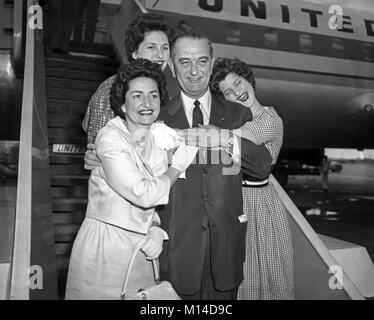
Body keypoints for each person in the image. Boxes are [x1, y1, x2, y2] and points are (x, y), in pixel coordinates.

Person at [65, 59, 198, 299]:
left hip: (141, 249)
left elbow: (150, 207)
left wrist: (157, 229)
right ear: (123, 105)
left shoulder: (155, 139)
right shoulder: (110, 139)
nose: (147, 103)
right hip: (106, 249)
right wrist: (177, 166)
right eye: (137, 96)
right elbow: (144, 193)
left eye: (153, 95)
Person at [157, 31, 273, 300]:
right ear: (173, 68)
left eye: (201, 61)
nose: (194, 71)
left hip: (226, 254)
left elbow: (262, 167)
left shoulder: (237, 114)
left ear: (211, 64)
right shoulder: (159, 117)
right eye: (184, 62)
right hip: (177, 253)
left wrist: (224, 137)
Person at [209, 57, 294, 300]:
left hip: (260, 207)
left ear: (248, 79)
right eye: (228, 92)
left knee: (263, 277)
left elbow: (232, 138)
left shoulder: (270, 120)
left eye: (238, 82)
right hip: (232, 202)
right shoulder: (231, 121)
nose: (238, 91)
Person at [82, 12, 177, 145]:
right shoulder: (112, 88)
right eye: (151, 47)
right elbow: (98, 148)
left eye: (165, 48)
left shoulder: (162, 91)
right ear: (134, 52)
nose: (160, 54)